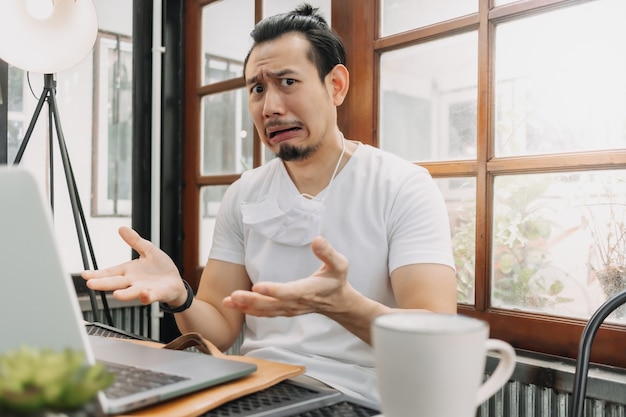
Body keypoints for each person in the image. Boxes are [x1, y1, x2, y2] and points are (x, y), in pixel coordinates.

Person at [82, 3, 457, 406]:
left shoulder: (402, 186)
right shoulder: (245, 193)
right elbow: (220, 331)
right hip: (257, 389)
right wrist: (180, 295)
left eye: (288, 82)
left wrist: (345, 306)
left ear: (336, 85)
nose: (271, 107)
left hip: (360, 398)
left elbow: (433, 340)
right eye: (258, 89)